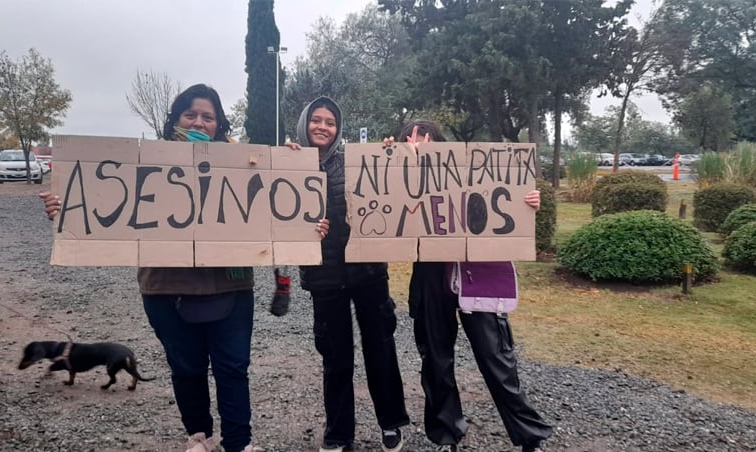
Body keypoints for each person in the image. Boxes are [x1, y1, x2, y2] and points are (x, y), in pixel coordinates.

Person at [40, 84, 327, 452]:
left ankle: (239, 443)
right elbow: (99, 202)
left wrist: (292, 165)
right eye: (190, 115)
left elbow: (279, 209)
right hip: (165, 288)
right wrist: (63, 209)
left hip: (231, 288)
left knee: (233, 369)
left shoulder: (242, 162)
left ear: (219, 123)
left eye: (208, 117)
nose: (199, 122)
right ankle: (199, 436)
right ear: (174, 119)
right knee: (186, 368)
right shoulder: (145, 162)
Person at [388, 120, 554, 452]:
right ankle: (445, 434)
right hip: (431, 280)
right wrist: (390, 156)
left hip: (479, 276)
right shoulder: (398, 172)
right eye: (412, 139)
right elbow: (382, 200)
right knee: (436, 360)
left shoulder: (469, 172)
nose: (420, 143)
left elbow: (500, 201)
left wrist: (526, 201)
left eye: (428, 140)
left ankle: (529, 436)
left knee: (496, 359)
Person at [285, 96, 410, 452]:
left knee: (381, 350)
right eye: (316, 120)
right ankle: (338, 433)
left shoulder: (355, 160)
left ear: (339, 129)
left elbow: (392, 183)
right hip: (324, 278)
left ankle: (390, 423)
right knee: (336, 358)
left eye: (331, 122)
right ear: (304, 123)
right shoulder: (290, 163)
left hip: (369, 273)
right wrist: (282, 163)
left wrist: (390, 154)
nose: (323, 127)